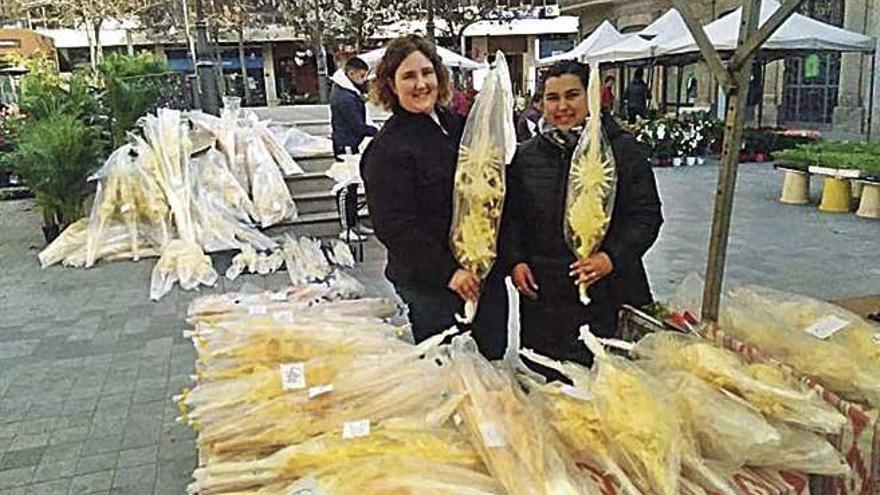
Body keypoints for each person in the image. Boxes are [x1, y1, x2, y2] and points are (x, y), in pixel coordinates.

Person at [500, 60, 663, 378]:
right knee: (550, 383)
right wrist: (516, 262)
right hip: (544, 299)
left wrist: (610, 257)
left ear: (591, 97)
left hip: (607, 292)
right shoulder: (526, 156)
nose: (562, 106)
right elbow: (512, 219)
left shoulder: (622, 150)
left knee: (608, 384)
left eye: (572, 95)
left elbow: (646, 217)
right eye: (552, 97)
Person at [360, 35, 508, 359]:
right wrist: (450, 273)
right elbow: (395, 228)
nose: (421, 84)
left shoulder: (461, 128)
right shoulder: (387, 149)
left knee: (493, 367)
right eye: (408, 76)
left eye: (427, 72)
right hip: (434, 287)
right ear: (390, 84)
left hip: (484, 277)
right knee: (450, 375)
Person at [330, 56, 378, 158]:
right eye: (361, 76)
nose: (364, 79)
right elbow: (357, 126)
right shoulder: (347, 98)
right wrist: (377, 131)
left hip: (344, 142)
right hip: (348, 145)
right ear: (351, 73)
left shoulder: (342, 90)